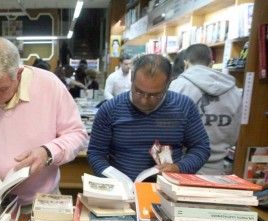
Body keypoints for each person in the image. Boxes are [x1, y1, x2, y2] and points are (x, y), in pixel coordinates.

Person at [0, 37, 88, 205]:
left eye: (2, 89)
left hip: (41, 200)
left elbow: (78, 135)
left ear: (19, 74)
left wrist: (48, 153)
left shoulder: (50, 85)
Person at [88, 54, 210, 181]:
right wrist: (111, 179)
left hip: (168, 188)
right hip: (121, 191)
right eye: (138, 91)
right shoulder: (110, 110)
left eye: (154, 95)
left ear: (168, 84)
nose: (144, 101)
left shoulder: (184, 107)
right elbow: (96, 153)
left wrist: (180, 168)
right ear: (132, 79)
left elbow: (201, 147)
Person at [169, 44, 242, 175]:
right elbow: (234, 136)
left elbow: (167, 130)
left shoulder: (178, 86)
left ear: (185, 63)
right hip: (218, 170)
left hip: (183, 168)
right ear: (211, 63)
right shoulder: (235, 91)